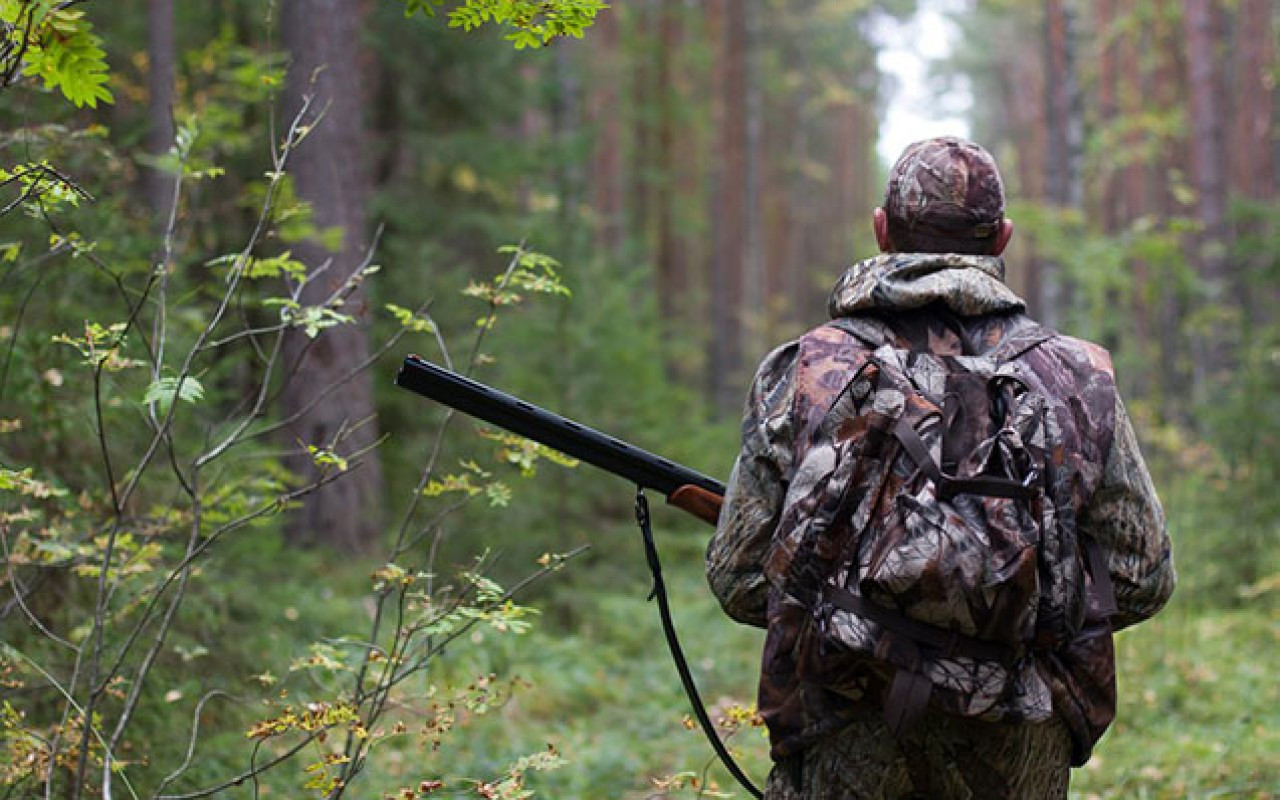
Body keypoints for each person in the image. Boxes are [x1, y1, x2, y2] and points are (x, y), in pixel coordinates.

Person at [706, 136, 1176, 800]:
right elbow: (1142, 575)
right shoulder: (1076, 376)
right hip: (1020, 739)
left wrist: (865, 623)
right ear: (1002, 237)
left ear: (882, 230)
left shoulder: (809, 369)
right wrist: (1012, 621)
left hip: (845, 729)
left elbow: (740, 578)